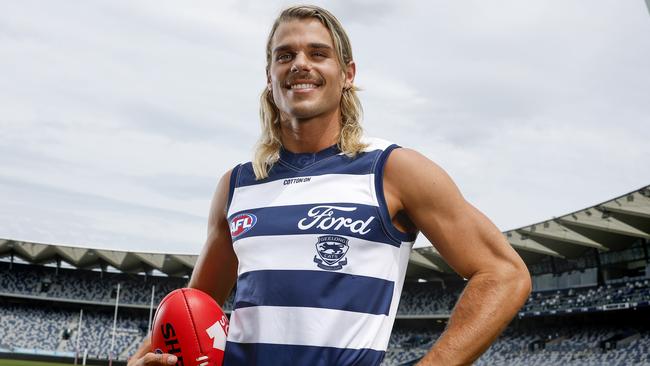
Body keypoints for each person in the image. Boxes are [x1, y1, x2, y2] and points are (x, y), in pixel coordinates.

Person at [128, 5, 531, 366]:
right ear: (269, 77)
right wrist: (146, 358)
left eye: (318, 53)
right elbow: (192, 306)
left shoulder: (393, 170)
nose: (300, 64)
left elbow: (504, 273)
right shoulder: (236, 185)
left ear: (348, 74)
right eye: (284, 56)